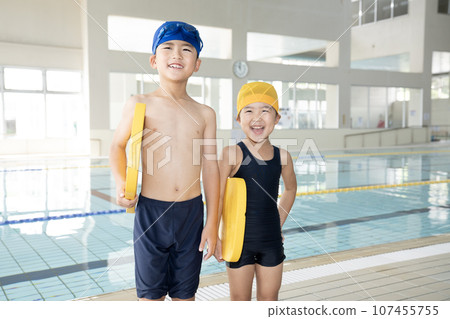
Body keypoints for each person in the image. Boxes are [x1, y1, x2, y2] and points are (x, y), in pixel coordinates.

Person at [109, 21, 219, 301]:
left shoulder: (205, 113)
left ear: (197, 64)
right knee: (150, 298)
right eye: (168, 48)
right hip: (151, 213)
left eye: (186, 49)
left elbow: (210, 168)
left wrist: (213, 222)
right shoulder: (139, 103)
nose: (177, 55)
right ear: (154, 60)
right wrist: (123, 184)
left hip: (191, 214)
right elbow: (118, 146)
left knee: (186, 296)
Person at [214, 82, 297, 300]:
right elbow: (218, 196)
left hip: (271, 240)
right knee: (240, 301)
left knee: (269, 300)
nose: (257, 117)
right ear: (239, 119)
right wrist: (217, 236)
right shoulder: (231, 154)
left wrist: (278, 223)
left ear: (277, 118)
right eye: (249, 110)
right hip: (238, 241)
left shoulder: (283, 157)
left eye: (265, 110)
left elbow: (290, 189)